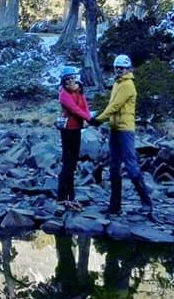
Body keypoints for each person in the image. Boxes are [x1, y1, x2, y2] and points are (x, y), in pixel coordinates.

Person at [89, 54, 155, 220]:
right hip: (114, 128)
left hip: (125, 129)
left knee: (131, 165)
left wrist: (97, 120)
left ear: (129, 69)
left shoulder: (127, 85)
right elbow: (112, 106)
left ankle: (146, 203)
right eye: (117, 67)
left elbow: (115, 106)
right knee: (114, 167)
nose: (119, 70)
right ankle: (115, 206)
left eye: (122, 67)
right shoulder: (117, 83)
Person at [56, 65, 91, 209]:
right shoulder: (64, 94)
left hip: (77, 128)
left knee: (73, 163)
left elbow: (84, 107)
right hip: (68, 129)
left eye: (73, 78)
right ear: (64, 81)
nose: (71, 81)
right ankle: (62, 196)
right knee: (68, 163)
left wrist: (88, 117)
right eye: (68, 79)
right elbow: (74, 109)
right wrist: (90, 119)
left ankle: (71, 195)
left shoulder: (78, 91)